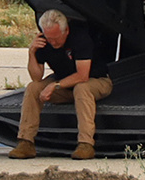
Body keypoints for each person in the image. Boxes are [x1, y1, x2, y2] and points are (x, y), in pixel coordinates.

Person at [9, 9, 113, 161]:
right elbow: (36, 77)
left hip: (96, 81)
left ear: (66, 31)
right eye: (49, 39)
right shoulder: (44, 42)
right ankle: (26, 141)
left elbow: (82, 75)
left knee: (81, 88)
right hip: (65, 84)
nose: (54, 43)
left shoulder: (79, 39)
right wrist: (32, 53)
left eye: (57, 39)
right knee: (33, 87)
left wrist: (55, 85)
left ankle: (86, 144)